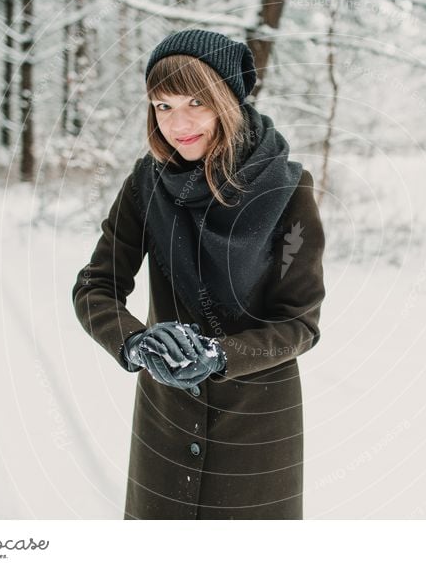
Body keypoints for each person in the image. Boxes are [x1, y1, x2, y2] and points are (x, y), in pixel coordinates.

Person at [71, 29, 326, 520]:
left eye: (195, 102)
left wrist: (220, 355)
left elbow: (300, 323)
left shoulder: (289, 192)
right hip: (167, 421)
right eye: (162, 106)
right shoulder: (146, 185)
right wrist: (135, 342)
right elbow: (95, 285)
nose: (178, 123)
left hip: (257, 430)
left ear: (227, 100)